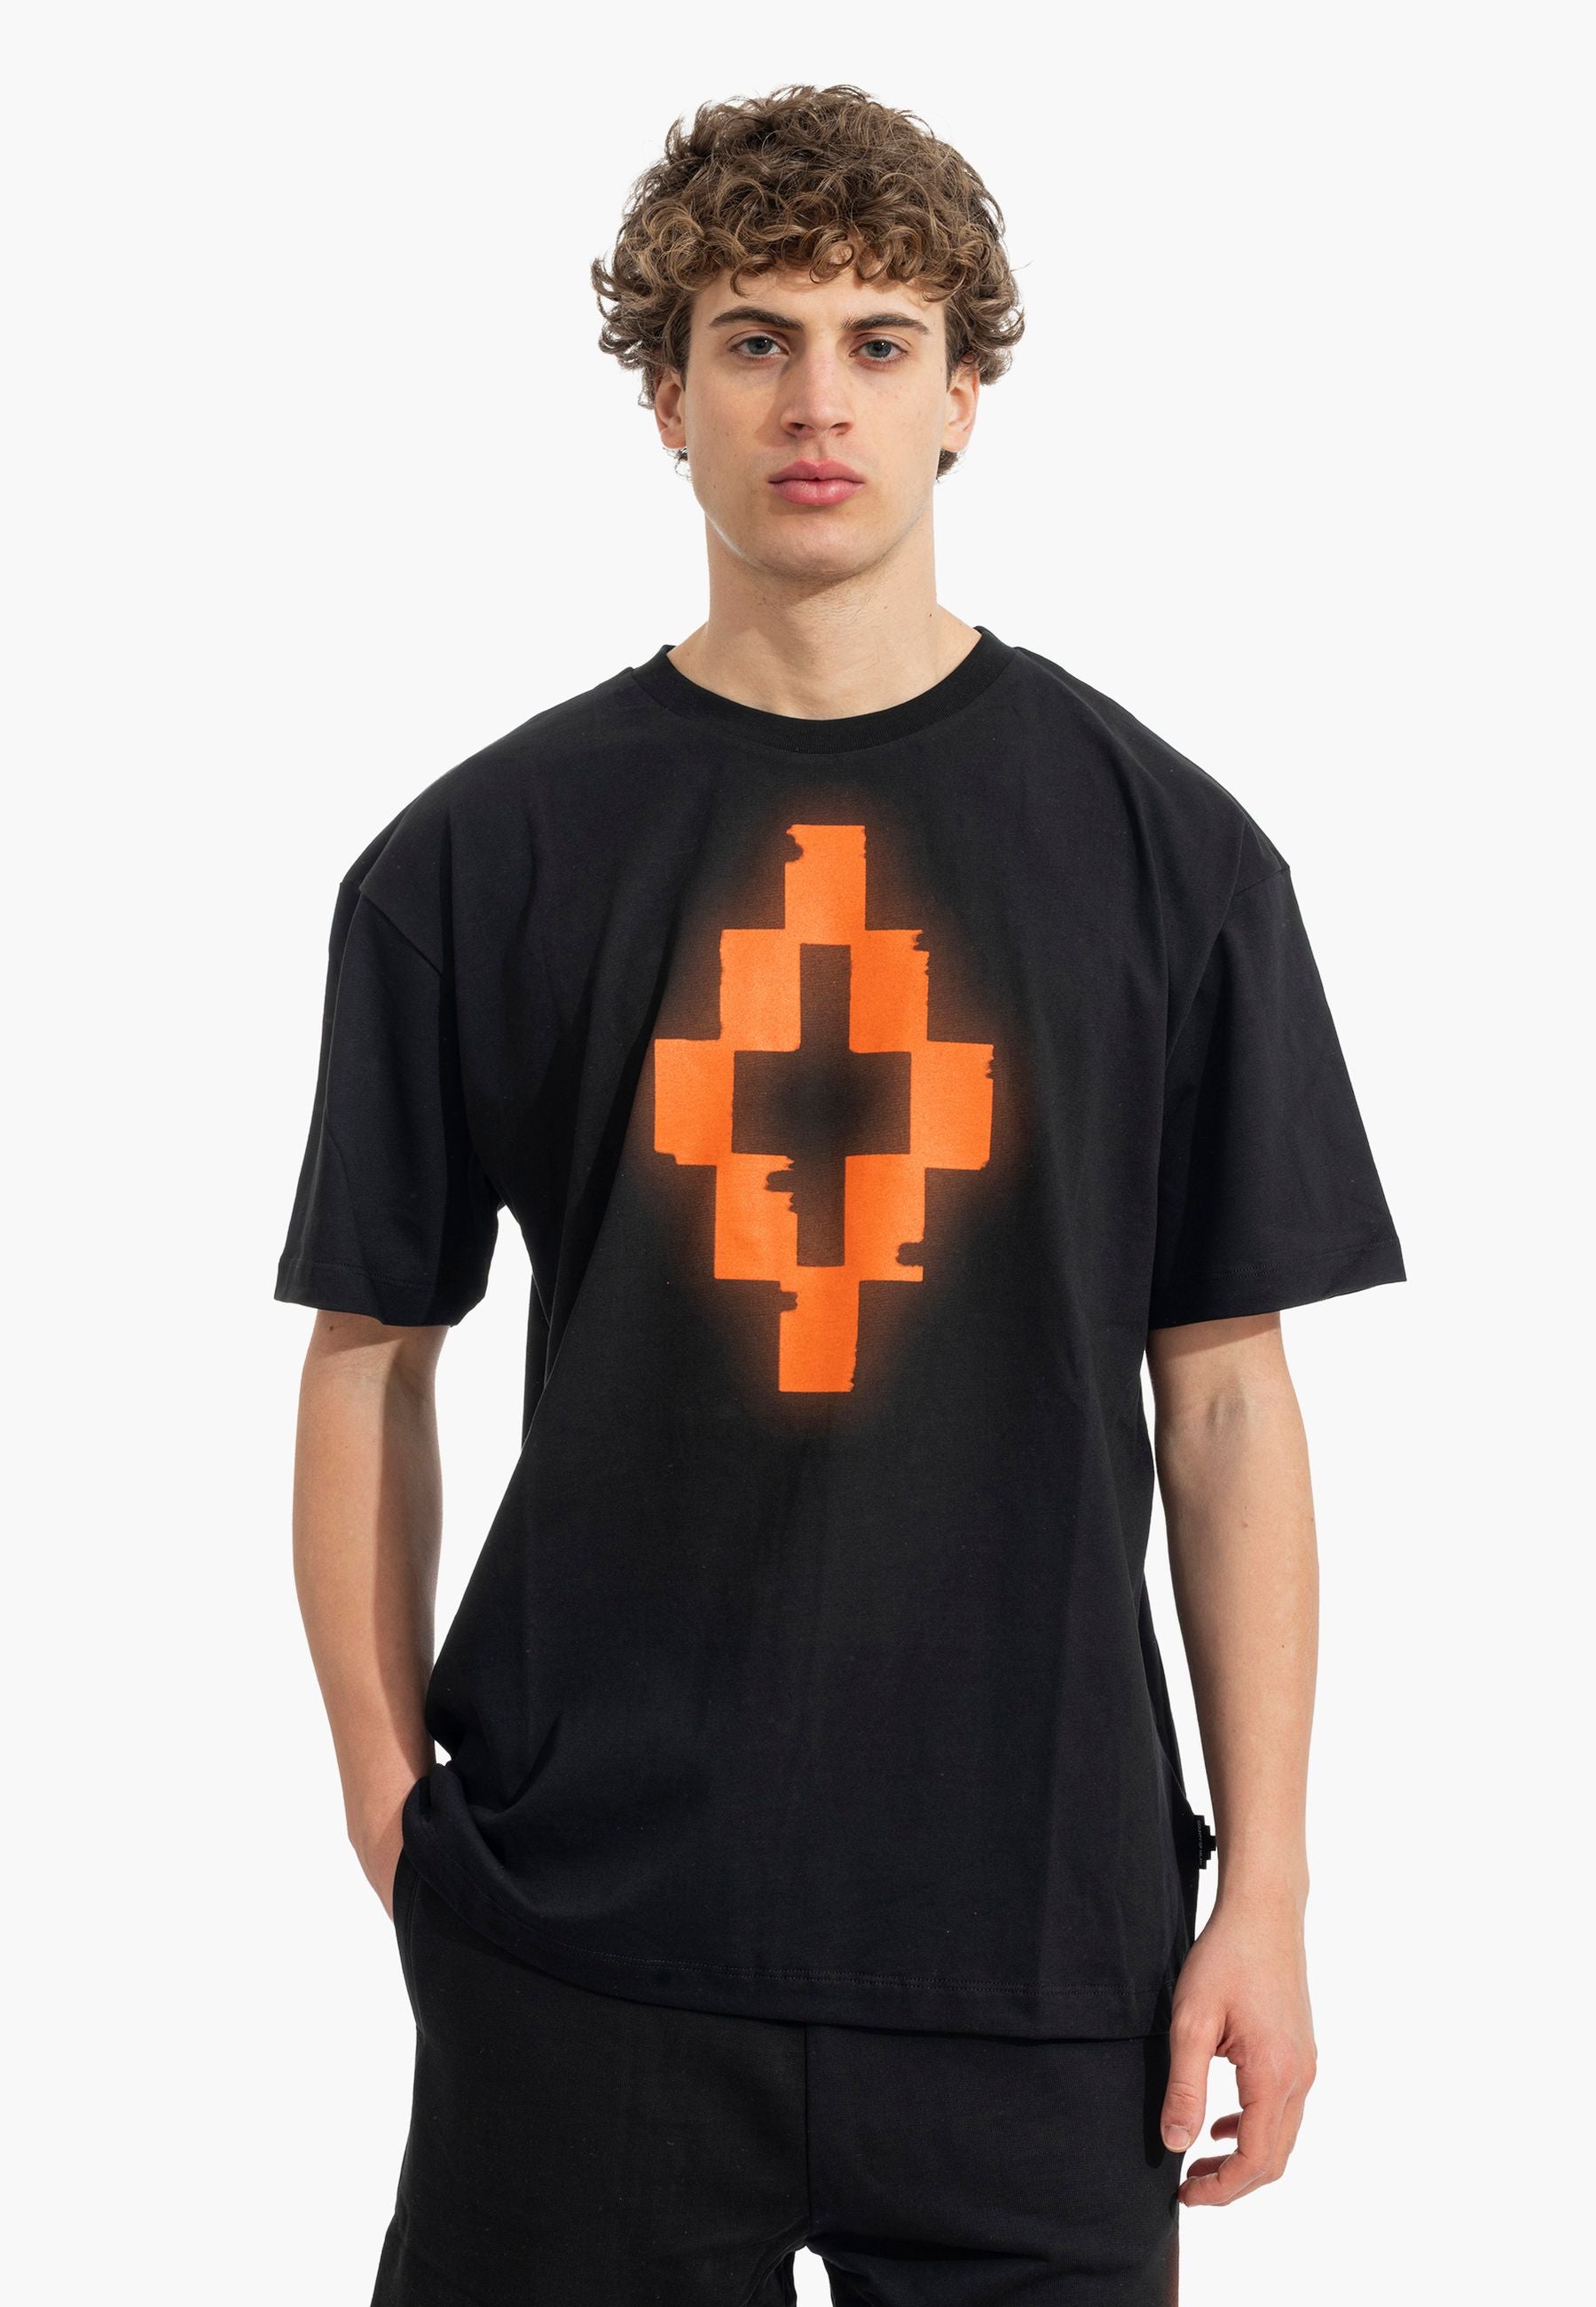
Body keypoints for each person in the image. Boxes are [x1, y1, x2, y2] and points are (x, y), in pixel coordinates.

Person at [275, 83, 1405, 2307]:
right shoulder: (473, 862)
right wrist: (386, 1803)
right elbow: (369, 1352)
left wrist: (1264, 1889)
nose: (819, 403)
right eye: (755, 339)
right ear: (665, 397)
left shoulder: (1169, 855)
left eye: (881, 342)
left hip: (1042, 1944)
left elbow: (1228, 1393)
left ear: (964, 394)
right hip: (583, 1938)